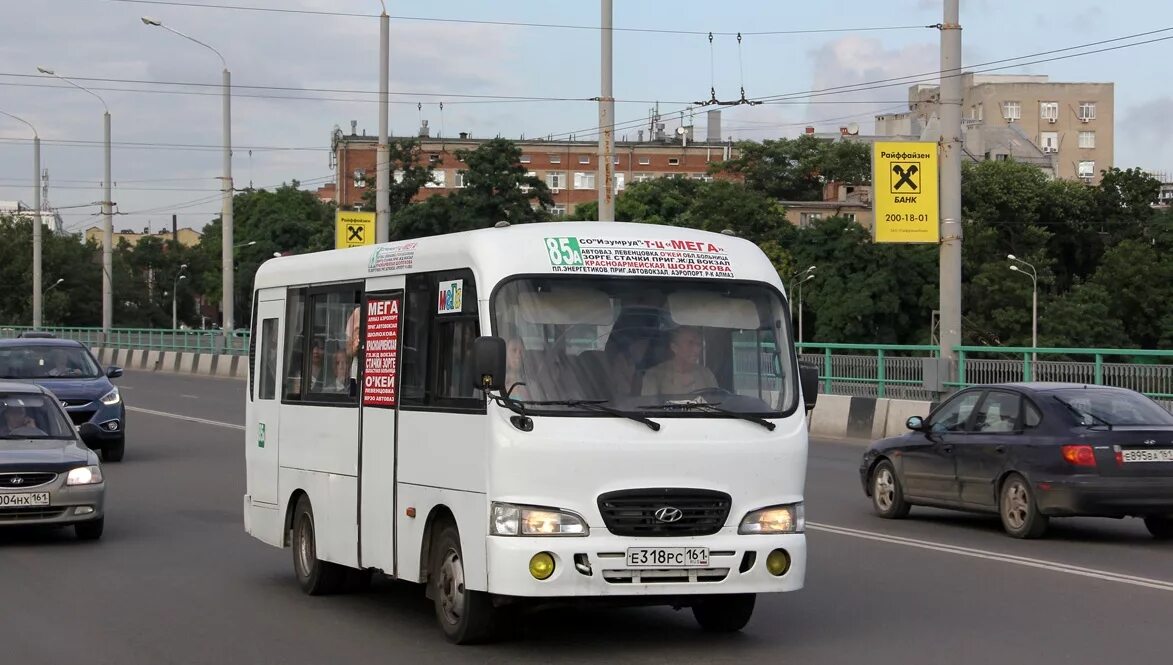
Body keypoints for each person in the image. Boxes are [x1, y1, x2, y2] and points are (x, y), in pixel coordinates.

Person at [641, 326, 718, 396]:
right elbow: (649, 409)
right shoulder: (655, 375)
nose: (696, 349)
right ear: (674, 347)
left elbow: (717, 405)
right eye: (690, 343)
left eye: (698, 344)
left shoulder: (706, 375)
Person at [505, 337, 531, 401]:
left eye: (521, 351)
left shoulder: (531, 384)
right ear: (505, 354)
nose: (518, 355)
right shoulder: (497, 383)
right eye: (514, 350)